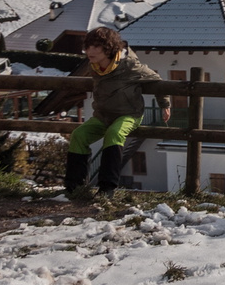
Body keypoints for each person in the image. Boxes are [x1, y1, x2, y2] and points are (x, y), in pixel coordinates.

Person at [65, 26, 167, 200]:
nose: (90, 51)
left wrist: (164, 104)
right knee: (79, 135)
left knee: (114, 133)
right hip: (102, 116)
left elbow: (156, 79)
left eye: (96, 47)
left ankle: (107, 189)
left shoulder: (129, 65)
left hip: (129, 115)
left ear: (109, 48)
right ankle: (74, 188)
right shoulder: (94, 66)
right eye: (88, 47)